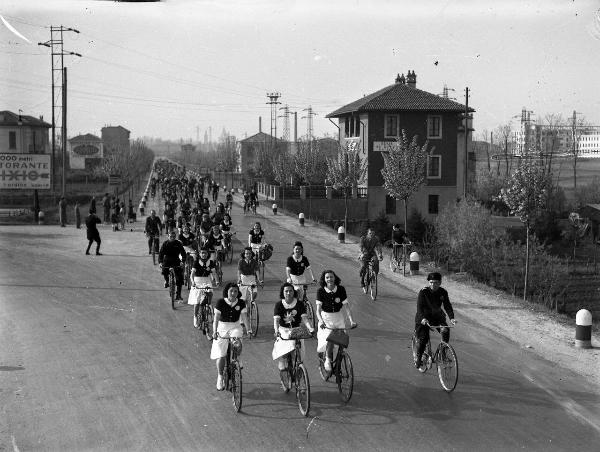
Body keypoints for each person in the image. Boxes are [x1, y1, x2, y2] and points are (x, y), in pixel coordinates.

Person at [211, 282, 250, 391]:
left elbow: (244, 317)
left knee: (237, 340)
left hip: (235, 326)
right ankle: (220, 377)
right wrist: (214, 331)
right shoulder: (220, 302)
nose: (233, 293)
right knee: (221, 355)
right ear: (227, 292)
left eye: (235, 291)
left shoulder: (241, 303)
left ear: (238, 293)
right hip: (222, 328)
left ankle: (237, 358)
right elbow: (216, 319)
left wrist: (249, 329)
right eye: (231, 291)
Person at [315, 270, 356, 372]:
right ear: (324, 280)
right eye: (327, 277)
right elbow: (318, 311)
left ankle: (339, 361)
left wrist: (351, 321)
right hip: (326, 318)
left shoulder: (341, 289)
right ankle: (328, 360)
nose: (329, 279)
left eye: (331, 277)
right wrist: (321, 322)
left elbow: (346, 307)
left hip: (338, 317)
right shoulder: (321, 291)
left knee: (342, 340)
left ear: (335, 278)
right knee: (331, 339)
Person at [414, 272, 456, 369]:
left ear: (440, 283)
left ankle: (443, 353)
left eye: (436, 282)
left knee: (445, 330)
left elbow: (447, 306)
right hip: (423, 318)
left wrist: (452, 318)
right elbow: (419, 308)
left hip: (437, 317)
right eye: (431, 282)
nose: (433, 285)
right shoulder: (423, 292)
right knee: (423, 339)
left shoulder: (443, 292)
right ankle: (418, 357)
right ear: (428, 282)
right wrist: (423, 319)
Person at [272, 282, 314, 374]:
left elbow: (305, 319)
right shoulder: (279, 305)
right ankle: (283, 361)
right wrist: (276, 331)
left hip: (297, 330)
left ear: (293, 292)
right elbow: (276, 321)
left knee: (300, 355)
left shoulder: (299, 304)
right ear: (282, 293)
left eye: (290, 291)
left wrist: (310, 328)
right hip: (283, 331)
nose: (288, 293)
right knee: (284, 352)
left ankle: (299, 367)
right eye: (286, 291)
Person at [187, 247, 216, 328]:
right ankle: (195, 316)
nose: (204, 254)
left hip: (207, 281)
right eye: (202, 253)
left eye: (205, 253)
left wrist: (217, 281)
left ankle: (208, 306)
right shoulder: (196, 262)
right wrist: (193, 282)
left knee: (210, 292)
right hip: (197, 281)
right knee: (197, 301)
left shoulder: (210, 262)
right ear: (199, 254)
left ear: (208, 254)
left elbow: (214, 273)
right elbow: (192, 274)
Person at [158, 230, 187, 301]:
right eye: (171, 236)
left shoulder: (178, 243)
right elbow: (161, 254)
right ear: (168, 237)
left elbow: (183, 253)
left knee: (179, 278)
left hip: (176, 260)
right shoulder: (165, 243)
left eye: (174, 237)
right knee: (164, 271)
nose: (172, 238)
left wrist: (183, 261)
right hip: (167, 259)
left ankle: (178, 295)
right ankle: (167, 281)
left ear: (175, 237)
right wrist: (160, 262)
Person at [358, 227, 383, 293]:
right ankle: (362, 280)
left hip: (372, 253)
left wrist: (380, 254)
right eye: (370, 233)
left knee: (376, 261)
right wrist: (362, 253)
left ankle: (374, 275)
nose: (371, 234)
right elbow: (361, 246)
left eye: (373, 233)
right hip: (364, 253)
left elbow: (378, 246)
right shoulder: (363, 238)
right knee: (364, 266)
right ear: (367, 233)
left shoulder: (376, 239)